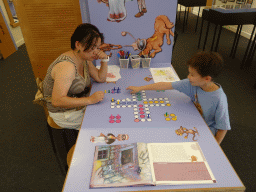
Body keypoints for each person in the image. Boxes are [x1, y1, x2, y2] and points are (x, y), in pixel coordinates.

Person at [126, 51, 231, 144]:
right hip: (191, 120)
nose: (188, 77)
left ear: (207, 78)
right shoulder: (192, 84)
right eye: (189, 73)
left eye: (192, 75)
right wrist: (140, 88)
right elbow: (165, 85)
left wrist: (215, 146)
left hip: (206, 130)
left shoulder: (219, 98)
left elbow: (223, 128)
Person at [43, 23, 109, 130]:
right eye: (92, 47)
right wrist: (90, 100)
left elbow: (100, 78)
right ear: (78, 44)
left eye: (97, 47)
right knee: (104, 123)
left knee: (107, 113)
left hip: (79, 105)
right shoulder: (67, 67)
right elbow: (57, 101)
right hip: (65, 114)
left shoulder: (84, 58)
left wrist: (105, 60)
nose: (96, 52)